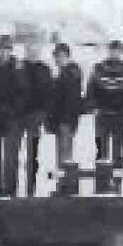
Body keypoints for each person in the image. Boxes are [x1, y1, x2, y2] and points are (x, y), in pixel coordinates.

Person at [0, 32, 25, 197]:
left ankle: (10, 189)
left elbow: (23, 91)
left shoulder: (17, 67)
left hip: (12, 117)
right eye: (2, 49)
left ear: (11, 50)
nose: (4, 52)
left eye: (7, 49)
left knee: (11, 156)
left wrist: (13, 110)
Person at [89, 38, 123, 169]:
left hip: (119, 114)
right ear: (108, 51)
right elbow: (91, 89)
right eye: (112, 50)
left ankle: (118, 177)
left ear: (121, 52)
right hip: (102, 114)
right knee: (102, 149)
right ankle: (102, 177)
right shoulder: (99, 68)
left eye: (117, 51)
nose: (114, 53)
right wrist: (94, 106)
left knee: (118, 149)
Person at [20, 39, 52, 196]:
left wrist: (44, 114)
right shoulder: (19, 68)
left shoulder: (44, 69)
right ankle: (11, 189)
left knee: (32, 154)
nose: (33, 53)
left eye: (35, 50)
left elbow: (48, 93)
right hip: (19, 116)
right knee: (13, 154)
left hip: (36, 116)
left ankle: (30, 188)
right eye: (30, 50)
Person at [48, 41, 83, 175]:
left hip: (66, 121)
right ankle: (64, 181)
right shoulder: (62, 74)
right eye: (57, 56)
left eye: (62, 56)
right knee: (63, 156)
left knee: (65, 157)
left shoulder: (70, 75)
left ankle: (66, 182)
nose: (58, 59)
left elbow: (71, 101)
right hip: (62, 121)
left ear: (68, 57)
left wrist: (67, 120)